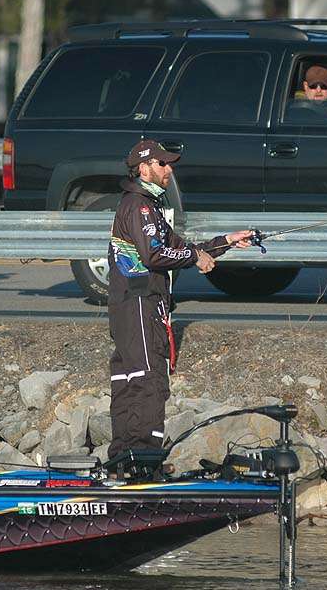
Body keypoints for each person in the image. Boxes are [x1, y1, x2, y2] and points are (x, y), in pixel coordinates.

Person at [106, 139, 253, 463]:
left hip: (134, 306)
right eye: (163, 164)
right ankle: (141, 459)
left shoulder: (147, 207)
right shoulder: (139, 206)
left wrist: (225, 242)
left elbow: (181, 247)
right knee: (149, 381)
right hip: (140, 304)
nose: (169, 169)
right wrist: (194, 256)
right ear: (144, 168)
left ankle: (125, 457)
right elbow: (156, 254)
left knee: (129, 380)